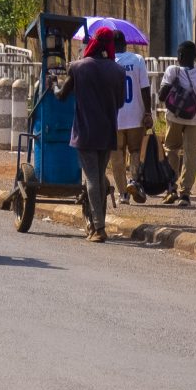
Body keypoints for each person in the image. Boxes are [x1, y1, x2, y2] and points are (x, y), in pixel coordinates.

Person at [67, 28, 127, 241]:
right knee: (100, 177)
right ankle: (97, 224)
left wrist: (53, 87)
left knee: (92, 177)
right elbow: (120, 102)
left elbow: (62, 94)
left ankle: (99, 228)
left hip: (85, 132)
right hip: (108, 131)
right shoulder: (119, 72)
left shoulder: (77, 67)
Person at [156, 40, 196, 207]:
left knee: (171, 150)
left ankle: (171, 188)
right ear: (195, 57)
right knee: (190, 155)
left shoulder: (172, 70)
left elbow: (161, 96)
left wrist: (173, 81)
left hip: (174, 117)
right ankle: (185, 194)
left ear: (179, 56)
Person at [112, 30, 155, 203]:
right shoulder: (137, 60)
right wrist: (147, 112)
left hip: (115, 118)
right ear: (126, 43)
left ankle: (123, 193)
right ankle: (135, 182)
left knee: (117, 155)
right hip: (136, 116)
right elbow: (145, 88)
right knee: (135, 151)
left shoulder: (109, 63)